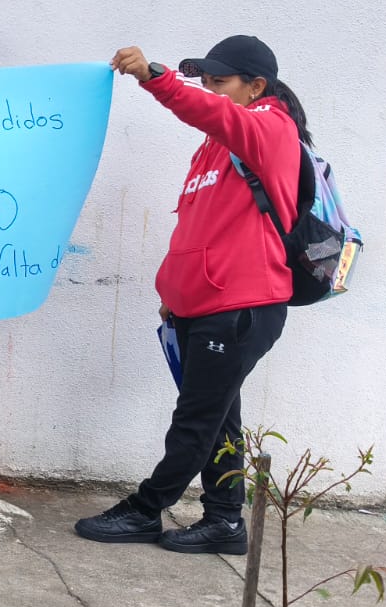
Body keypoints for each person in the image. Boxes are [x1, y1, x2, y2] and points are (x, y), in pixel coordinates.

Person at [76, 36, 300, 555]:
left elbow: (208, 112)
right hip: (203, 306)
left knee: (195, 420)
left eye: (221, 82)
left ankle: (145, 508)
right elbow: (199, 228)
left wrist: (154, 76)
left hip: (242, 307)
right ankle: (224, 521)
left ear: (256, 87)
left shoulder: (270, 129)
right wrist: (175, 293)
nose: (211, 90)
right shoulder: (215, 148)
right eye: (207, 81)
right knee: (219, 417)